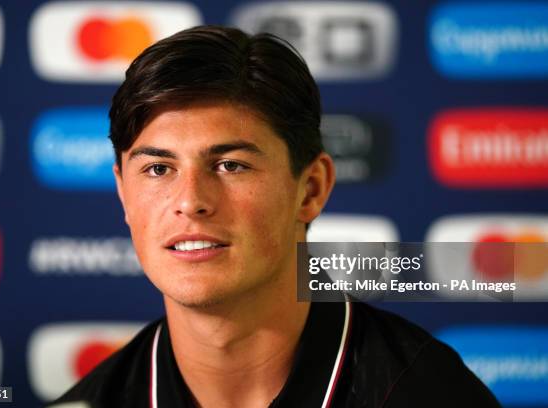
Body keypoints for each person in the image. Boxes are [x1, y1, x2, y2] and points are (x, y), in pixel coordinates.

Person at [49, 25, 500, 408]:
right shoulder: (92, 399)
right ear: (123, 192)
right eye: (159, 169)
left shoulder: (427, 392)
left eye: (230, 165)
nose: (190, 201)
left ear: (312, 188)